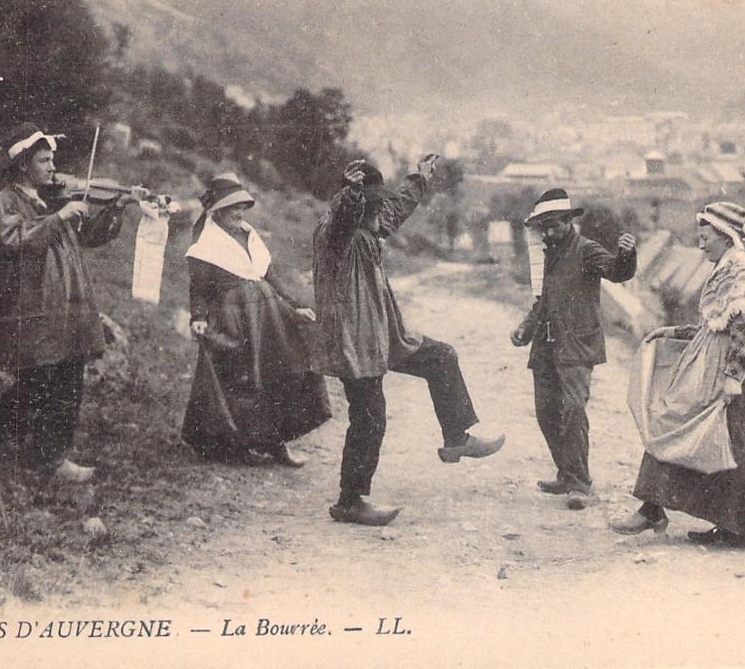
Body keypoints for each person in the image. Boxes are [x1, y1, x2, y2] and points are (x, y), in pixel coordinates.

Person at [313, 155, 505, 526]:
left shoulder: (369, 225)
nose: (380, 211)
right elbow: (343, 221)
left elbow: (394, 209)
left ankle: (456, 437)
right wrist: (351, 195)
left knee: (441, 357)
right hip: (353, 344)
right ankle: (350, 501)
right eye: (372, 204)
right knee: (370, 418)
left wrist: (418, 178)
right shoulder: (335, 235)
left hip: (383, 336)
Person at [0, 122, 146, 482]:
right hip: (31, 306)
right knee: (36, 378)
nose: (52, 167)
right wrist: (59, 216)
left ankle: (51, 458)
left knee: (68, 379)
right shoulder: (5, 202)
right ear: (23, 165)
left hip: (67, 305)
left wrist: (118, 206)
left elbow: (90, 236)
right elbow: (14, 240)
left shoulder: (52, 200)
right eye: (44, 161)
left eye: (52, 160)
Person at [609, 201, 745, 549]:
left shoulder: (742, 275)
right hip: (711, 365)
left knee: (726, 444)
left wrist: (733, 376)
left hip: (729, 373)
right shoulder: (724, 270)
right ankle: (654, 509)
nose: (701, 244)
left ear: (725, 237)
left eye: (706, 238)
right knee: (686, 429)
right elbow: (714, 325)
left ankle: (726, 526)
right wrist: (672, 332)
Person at [182, 173, 331, 466]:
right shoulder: (205, 244)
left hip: (267, 316)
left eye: (242, 206)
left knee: (278, 372)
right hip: (232, 318)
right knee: (241, 380)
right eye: (232, 207)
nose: (239, 212)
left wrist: (295, 306)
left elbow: (270, 277)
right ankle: (237, 445)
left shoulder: (249, 235)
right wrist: (198, 317)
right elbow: (198, 288)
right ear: (217, 211)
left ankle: (276, 444)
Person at [510, 189, 637, 510]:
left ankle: (579, 484)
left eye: (554, 225)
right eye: (544, 227)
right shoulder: (549, 254)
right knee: (546, 413)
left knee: (573, 410)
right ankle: (566, 475)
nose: (548, 232)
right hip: (546, 347)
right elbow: (543, 300)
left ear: (568, 220)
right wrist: (526, 328)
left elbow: (618, 271)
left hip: (576, 346)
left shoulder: (586, 250)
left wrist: (626, 254)